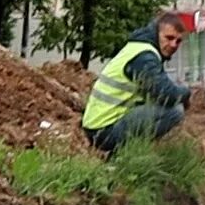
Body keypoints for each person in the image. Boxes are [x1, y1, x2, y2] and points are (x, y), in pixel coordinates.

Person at [81, 13, 192, 155]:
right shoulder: (144, 57)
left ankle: (124, 154)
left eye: (178, 41)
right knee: (175, 111)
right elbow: (166, 94)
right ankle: (124, 155)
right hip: (103, 131)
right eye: (169, 38)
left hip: (100, 124)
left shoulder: (139, 48)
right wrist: (186, 93)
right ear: (157, 33)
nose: (173, 45)